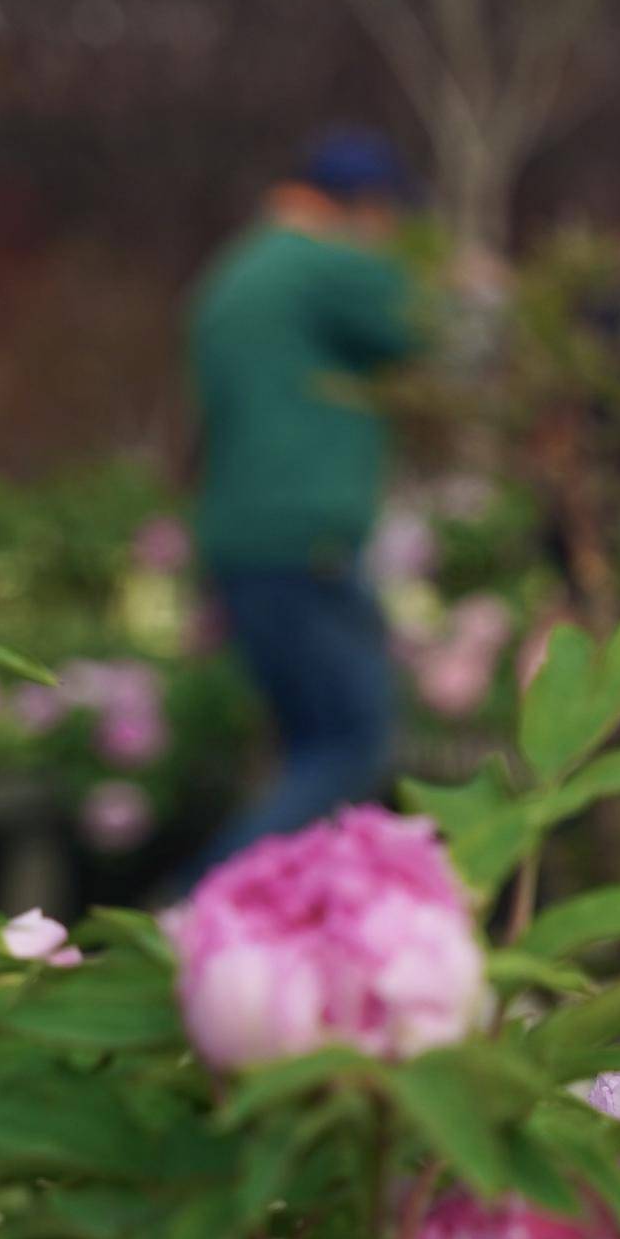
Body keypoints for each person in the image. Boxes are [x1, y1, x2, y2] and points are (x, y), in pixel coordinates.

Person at [188, 129, 423, 874]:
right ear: (368, 208)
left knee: (307, 750)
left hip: (244, 538)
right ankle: (195, 911)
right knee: (353, 742)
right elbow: (432, 327)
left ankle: (263, 933)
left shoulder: (240, 267)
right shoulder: (325, 265)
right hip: (306, 536)